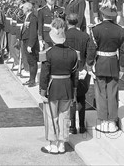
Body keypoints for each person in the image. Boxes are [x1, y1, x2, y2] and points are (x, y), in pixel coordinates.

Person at [86, 0, 124, 133]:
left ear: (102, 14)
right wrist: (122, 67)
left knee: (101, 93)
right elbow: (123, 51)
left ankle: (103, 121)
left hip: (100, 62)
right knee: (113, 92)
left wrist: (89, 64)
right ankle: (112, 122)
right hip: (113, 62)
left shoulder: (95, 30)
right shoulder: (121, 31)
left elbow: (92, 49)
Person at [39, 18, 78, 155]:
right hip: (67, 86)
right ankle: (62, 143)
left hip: (52, 86)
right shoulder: (73, 53)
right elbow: (75, 75)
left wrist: (43, 91)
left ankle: (53, 144)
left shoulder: (48, 53)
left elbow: (44, 75)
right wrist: (73, 91)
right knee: (64, 116)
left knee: (51, 116)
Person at [64, 13, 91, 134]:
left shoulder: (64, 36)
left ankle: (72, 126)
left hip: (68, 70)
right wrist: (87, 65)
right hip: (81, 69)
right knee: (81, 98)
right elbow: (90, 52)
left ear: (67, 22)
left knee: (71, 99)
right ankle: (82, 125)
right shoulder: (85, 36)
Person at [20, 2, 39, 87]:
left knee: (32, 61)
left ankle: (32, 81)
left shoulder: (33, 18)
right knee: (29, 61)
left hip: (29, 42)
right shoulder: (28, 17)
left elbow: (33, 33)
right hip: (25, 40)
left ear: (28, 9)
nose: (22, 9)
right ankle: (31, 79)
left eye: (23, 8)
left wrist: (30, 45)